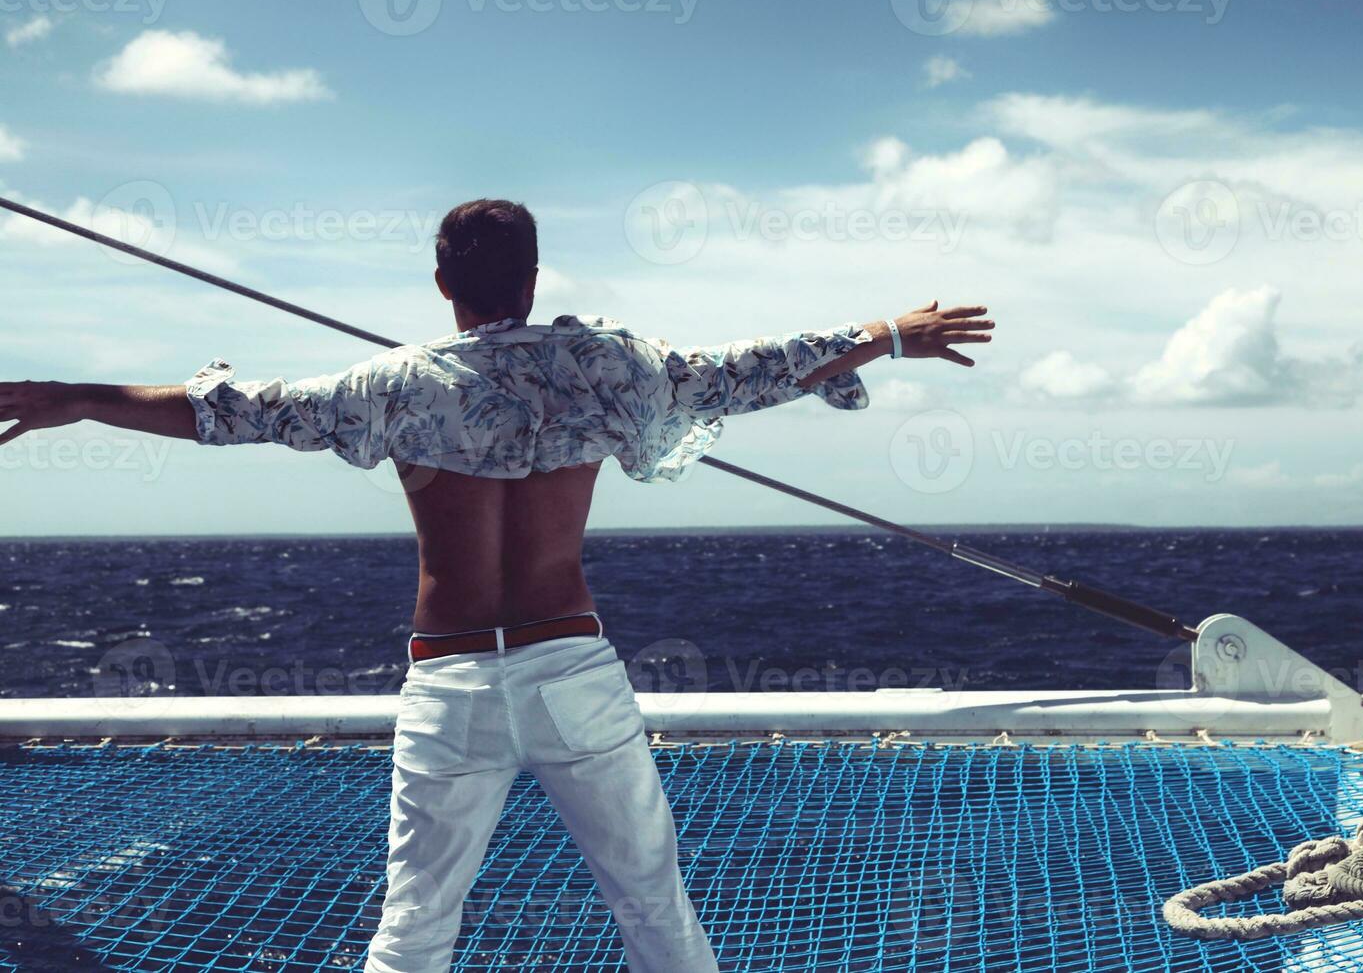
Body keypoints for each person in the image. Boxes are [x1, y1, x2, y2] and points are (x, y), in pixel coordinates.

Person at [0, 198, 993, 972]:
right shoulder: (612, 368)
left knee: (415, 926)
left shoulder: (391, 385)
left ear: (441, 279)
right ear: (532, 276)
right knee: (652, 900)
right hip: (572, 669)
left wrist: (74, 399)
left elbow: (232, 410)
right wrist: (889, 333)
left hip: (452, 683)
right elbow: (758, 369)